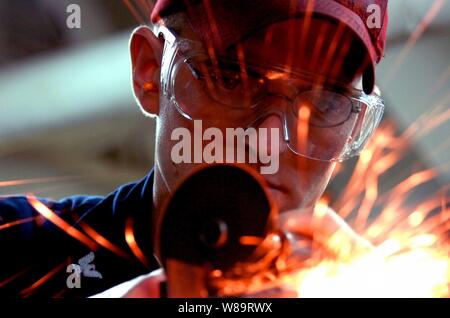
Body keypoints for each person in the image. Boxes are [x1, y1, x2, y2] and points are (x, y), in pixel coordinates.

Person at [0, 0, 388, 298]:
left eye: (325, 102)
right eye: (232, 77)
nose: (270, 140)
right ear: (150, 71)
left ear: (355, 123)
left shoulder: (360, 285)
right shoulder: (14, 249)